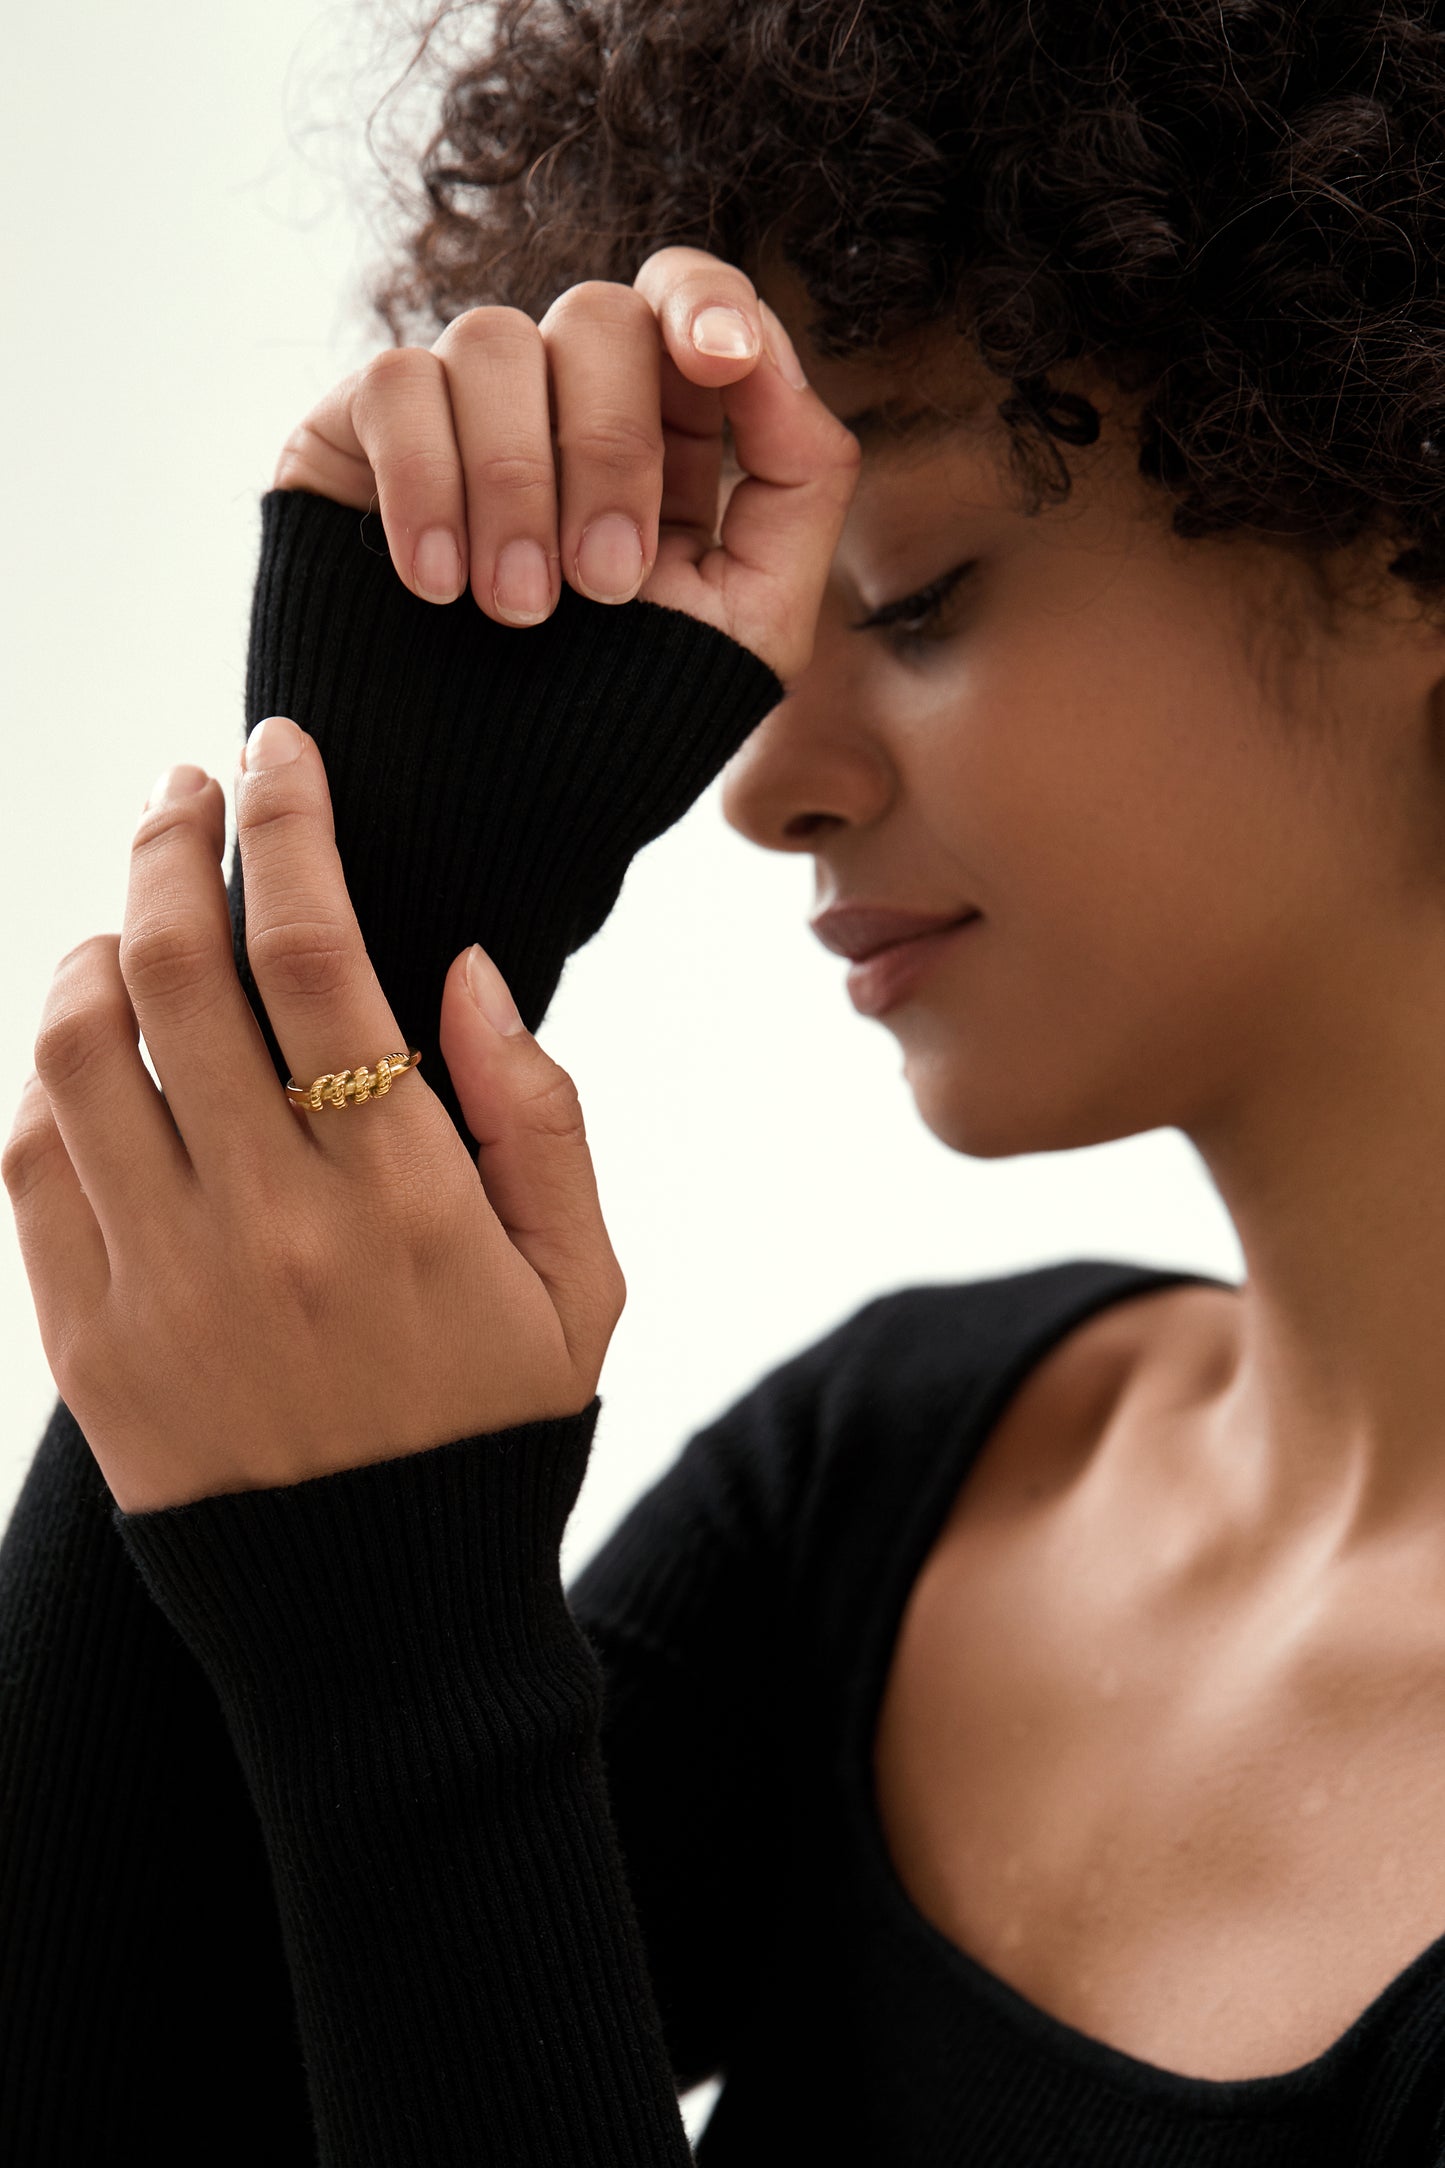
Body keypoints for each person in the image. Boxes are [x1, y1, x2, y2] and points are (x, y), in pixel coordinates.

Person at [5, 2, 1445, 2161]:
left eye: (922, 595)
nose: (759, 783)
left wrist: (409, 1624)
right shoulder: (904, 1484)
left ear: (1394, 495)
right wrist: (387, 910)